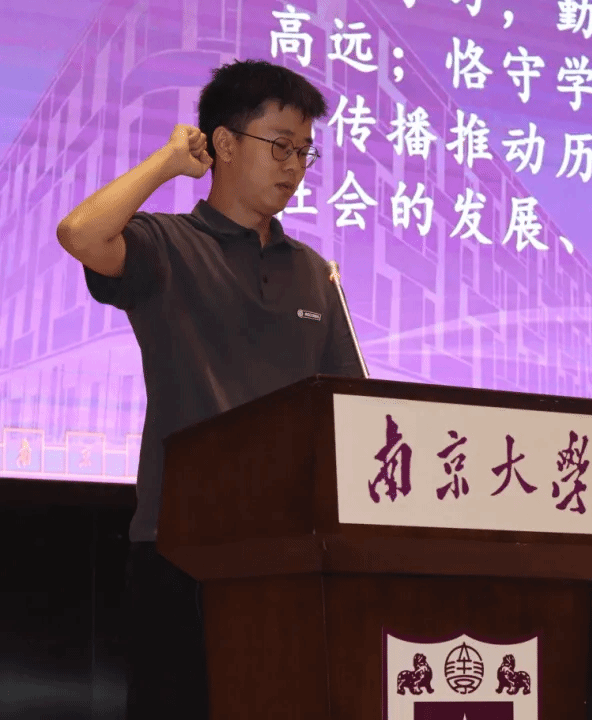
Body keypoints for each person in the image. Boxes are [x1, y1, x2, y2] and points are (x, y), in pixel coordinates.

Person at [55, 59, 365, 719]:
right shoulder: (166, 245)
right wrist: (169, 162)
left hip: (290, 551)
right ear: (224, 143)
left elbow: (353, 412)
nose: (294, 166)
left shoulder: (315, 273)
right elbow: (81, 233)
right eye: (279, 145)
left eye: (304, 151)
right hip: (180, 544)